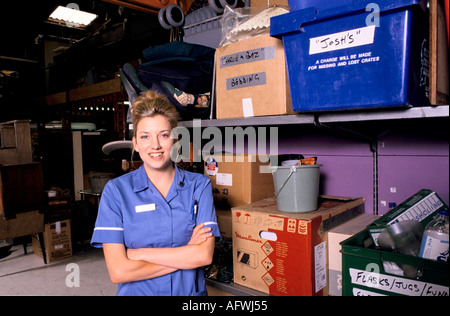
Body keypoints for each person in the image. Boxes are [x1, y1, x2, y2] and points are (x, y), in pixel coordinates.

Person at [91, 91, 220, 296]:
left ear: (175, 139)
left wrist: (140, 254)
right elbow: (118, 271)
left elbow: (203, 256)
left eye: (163, 134)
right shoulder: (116, 192)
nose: (155, 145)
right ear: (135, 143)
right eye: (145, 136)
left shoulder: (199, 186)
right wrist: (185, 253)